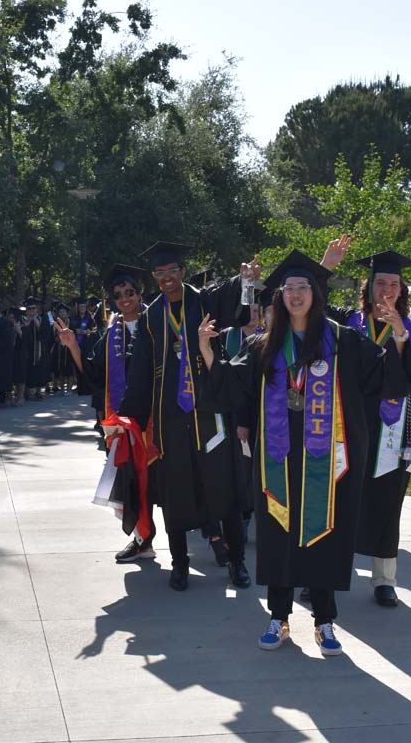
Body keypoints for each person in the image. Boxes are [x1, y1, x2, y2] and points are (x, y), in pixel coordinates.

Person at [197, 250, 409, 656]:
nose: (295, 294)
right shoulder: (265, 345)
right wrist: (208, 351)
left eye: (302, 287)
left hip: (328, 463)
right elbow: (233, 383)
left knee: (325, 533)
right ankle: (278, 618)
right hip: (278, 458)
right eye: (288, 288)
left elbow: (386, 379)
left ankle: (325, 621)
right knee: (278, 534)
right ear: (280, 297)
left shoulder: (343, 341)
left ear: (315, 293)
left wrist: (399, 335)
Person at [114, 242, 259, 592]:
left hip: (211, 413)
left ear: (182, 271)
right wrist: (128, 418)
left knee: (224, 490)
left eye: (172, 271)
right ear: (154, 277)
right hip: (170, 418)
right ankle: (180, 564)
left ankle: (238, 562)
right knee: (177, 493)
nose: (167, 278)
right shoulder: (150, 316)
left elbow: (238, 310)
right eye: (159, 274)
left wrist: (246, 282)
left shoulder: (204, 301)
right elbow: (141, 372)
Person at [322, 245, 411, 608]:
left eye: (394, 283)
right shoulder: (348, 323)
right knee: (337, 502)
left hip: (391, 433)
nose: (387, 290)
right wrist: (326, 267)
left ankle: (384, 580)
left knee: (387, 505)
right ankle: (325, 576)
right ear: (369, 286)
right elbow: (309, 304)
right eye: (380, 283)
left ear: (402, 290)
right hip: (345, 428)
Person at [56, 263, 156, 563]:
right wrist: (73, 345)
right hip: (125, 421)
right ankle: (143, 540)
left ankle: (215, 541)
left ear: (139, 294)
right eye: (118, 295)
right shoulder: (111, 334)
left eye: (129, 292)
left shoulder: (158, 325)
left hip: (159, 417)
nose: (124, 298)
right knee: (134, 481)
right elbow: (93, 375)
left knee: (168, 481)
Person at [20, 298, 50, 401]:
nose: (32, 310)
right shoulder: (22, 320)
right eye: (29, 308)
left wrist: (39, 326)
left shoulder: (42, 319)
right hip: (27, 349)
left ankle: (38, 392)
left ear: (36, 309)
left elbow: (46, 334)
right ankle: (26, 392)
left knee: (39, 369)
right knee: (27, 369)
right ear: (26, 310)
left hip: (40, 348)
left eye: (33, 308)